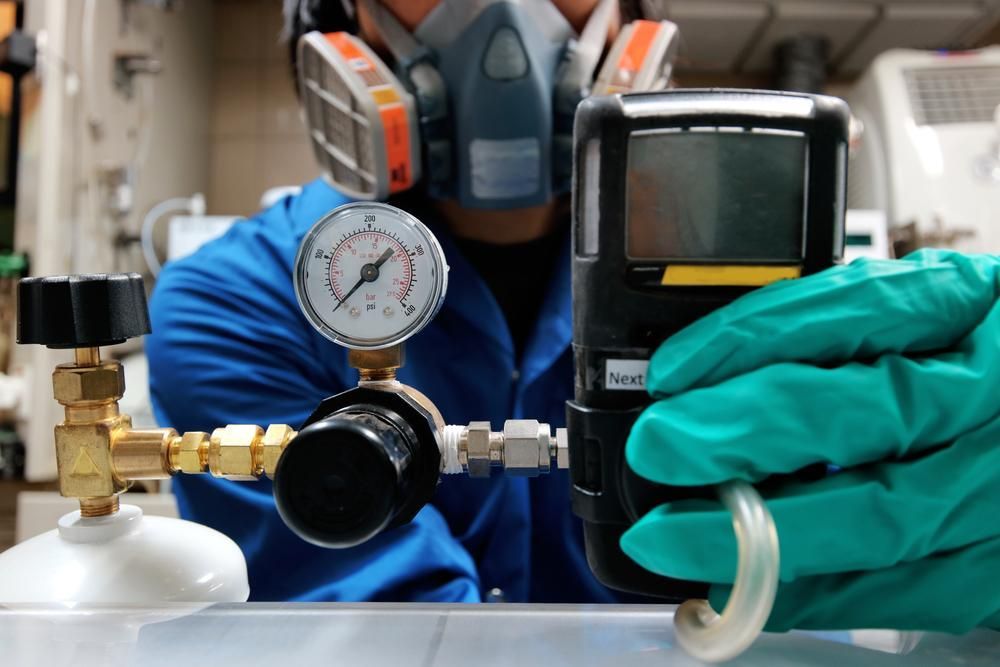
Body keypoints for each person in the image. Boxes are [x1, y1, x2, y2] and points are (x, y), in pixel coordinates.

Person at [147, 0, 1000, 631]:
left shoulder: (770, 286)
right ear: (340, 21)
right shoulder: (235, 302)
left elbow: (820, 569)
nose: (503, 18)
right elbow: (386, 626)